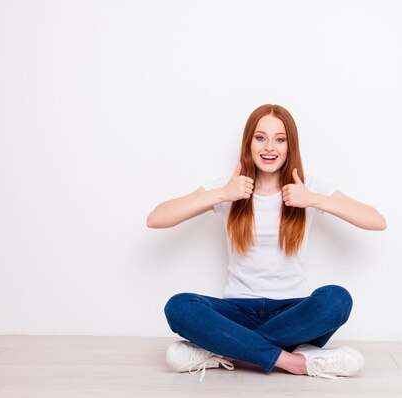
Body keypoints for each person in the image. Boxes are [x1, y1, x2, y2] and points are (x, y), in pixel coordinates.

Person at [147, 104, 387, 381]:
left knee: (337, 299)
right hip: (237, 311)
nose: (269, 147)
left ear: (290, 145)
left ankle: (227, 351)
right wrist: (222, 194)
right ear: (249, 142)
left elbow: (376, 220)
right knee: (179, 306)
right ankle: (295, 362)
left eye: (279, 139)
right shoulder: (230, 185)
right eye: (260, 137)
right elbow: (157, 218)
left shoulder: (308, 186)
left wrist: (313, 199)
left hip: (294, 316)